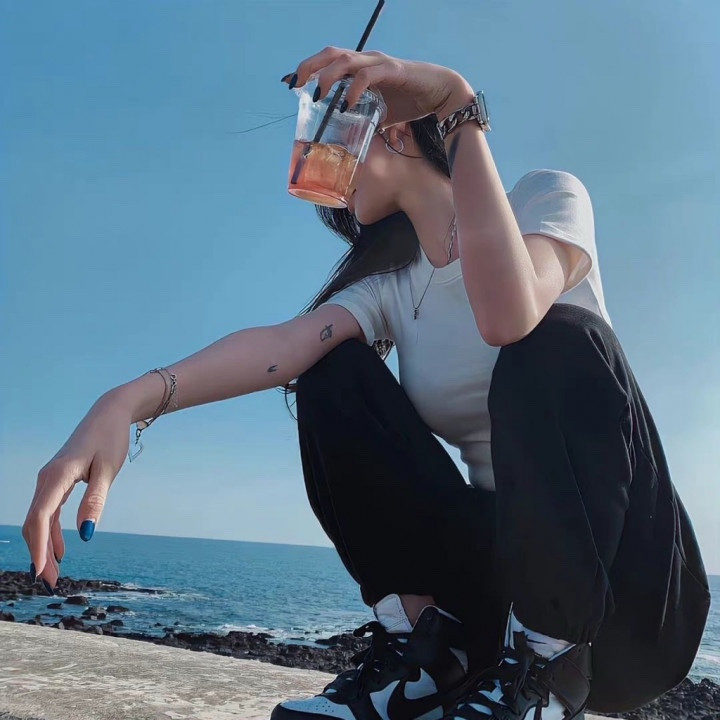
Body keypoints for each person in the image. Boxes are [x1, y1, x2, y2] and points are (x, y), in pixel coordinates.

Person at [23, 47, 710, 720]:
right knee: (330, 374)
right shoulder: (390, 287)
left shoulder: (545, 197)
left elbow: (508, 315)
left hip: (625, 598)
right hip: (498, 584)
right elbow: (281, 348)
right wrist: (126, 402)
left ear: (395, 129)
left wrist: (459, 109)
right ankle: (430, 657)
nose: (310, 162)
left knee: (556, 336)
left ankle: (549, 677)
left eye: (328, 134)